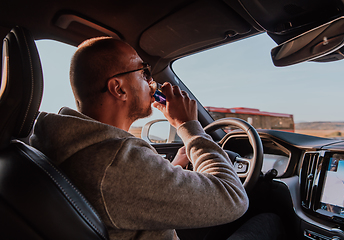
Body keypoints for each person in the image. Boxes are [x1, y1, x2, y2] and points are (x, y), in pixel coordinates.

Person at [30, 37, 249, 240]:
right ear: (119, 88)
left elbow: (129, 191)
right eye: (144, 72)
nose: (152, 81)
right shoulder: (116, 160)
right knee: (269, 220)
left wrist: (174, 167)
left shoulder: (73, 147)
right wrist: (189, 126)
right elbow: (232, 198)